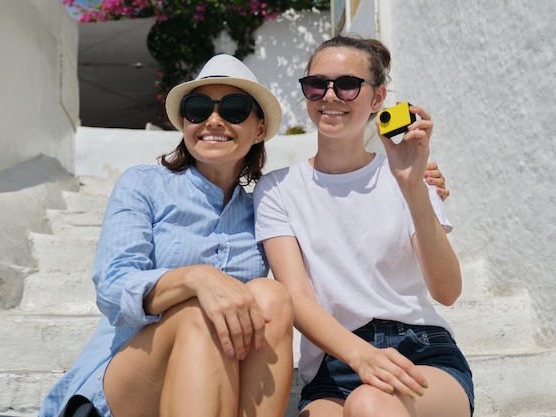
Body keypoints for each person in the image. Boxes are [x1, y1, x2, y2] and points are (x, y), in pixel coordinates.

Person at [38, 54, 295, 417]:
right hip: (129, 383)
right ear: (184, 122)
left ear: (259, 129)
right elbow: (113, 289)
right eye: (198, 108)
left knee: (271, 295)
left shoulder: (264, 207)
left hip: (221, 387)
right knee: (197, 314)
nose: (214, 120)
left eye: (235, 109)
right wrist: (195, 278)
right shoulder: (144, 184)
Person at [253, 34, 474, 417]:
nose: (330, 95)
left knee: (369, 404)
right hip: (334, 362)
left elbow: (448, 291)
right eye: (317, 84)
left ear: (377, 98)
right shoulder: (277, 189)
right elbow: (297, 298)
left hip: (420, 349)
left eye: (348, 85)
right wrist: (361, 356)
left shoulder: (412, 176)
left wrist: (412, 189)